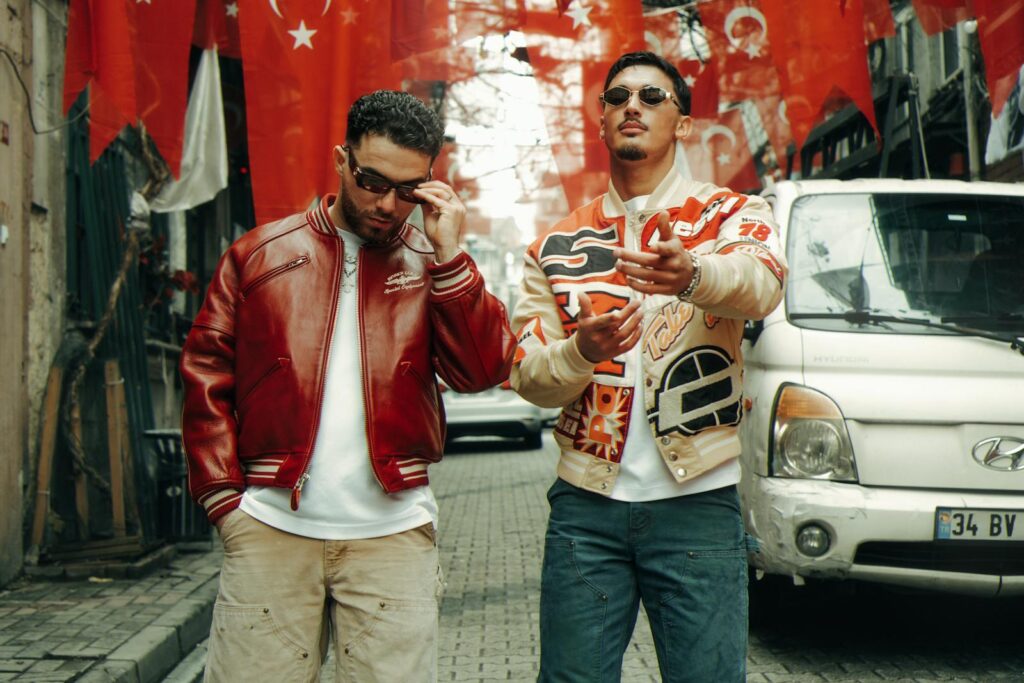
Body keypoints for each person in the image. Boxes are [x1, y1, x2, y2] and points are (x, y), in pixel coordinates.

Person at [180, 90, 515, 682]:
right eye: (371, 180)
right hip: (270, 531)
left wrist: (451, 256)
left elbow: (483, 371)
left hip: (392, 536)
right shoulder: (259, 256)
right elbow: (207, 372)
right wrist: (224, 502)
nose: (387, 203)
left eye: (406, 189)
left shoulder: (432, 262)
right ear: (342, 160)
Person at [510, 52, 787, 682]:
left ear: (682, 124)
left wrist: (694, 273)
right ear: (602, 122)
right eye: (618, 97)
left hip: (699, 503)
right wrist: (583, 352)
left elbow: (762, 283)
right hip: (586, 510)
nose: (632, 105)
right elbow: (527, 375)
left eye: (652, 96)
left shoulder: (730, 216)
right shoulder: (554, 247)